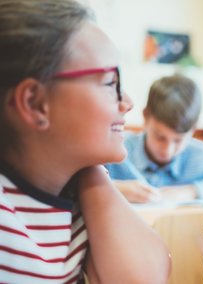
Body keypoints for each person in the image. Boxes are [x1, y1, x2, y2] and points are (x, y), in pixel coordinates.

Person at [0, 0, 170, 282]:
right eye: (109, 83)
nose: (127, 102)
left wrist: (93, 173)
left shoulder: (80, 198)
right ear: (35, 102)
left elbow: (146, 277)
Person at [105, 74, 203, 203]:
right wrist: (115, 188)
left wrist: (192, 191)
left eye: (178, 140)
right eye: (160, 137)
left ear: (193, 129)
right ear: (145, 117)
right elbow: (80, 182)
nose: (167, 150)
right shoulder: (113, 150)